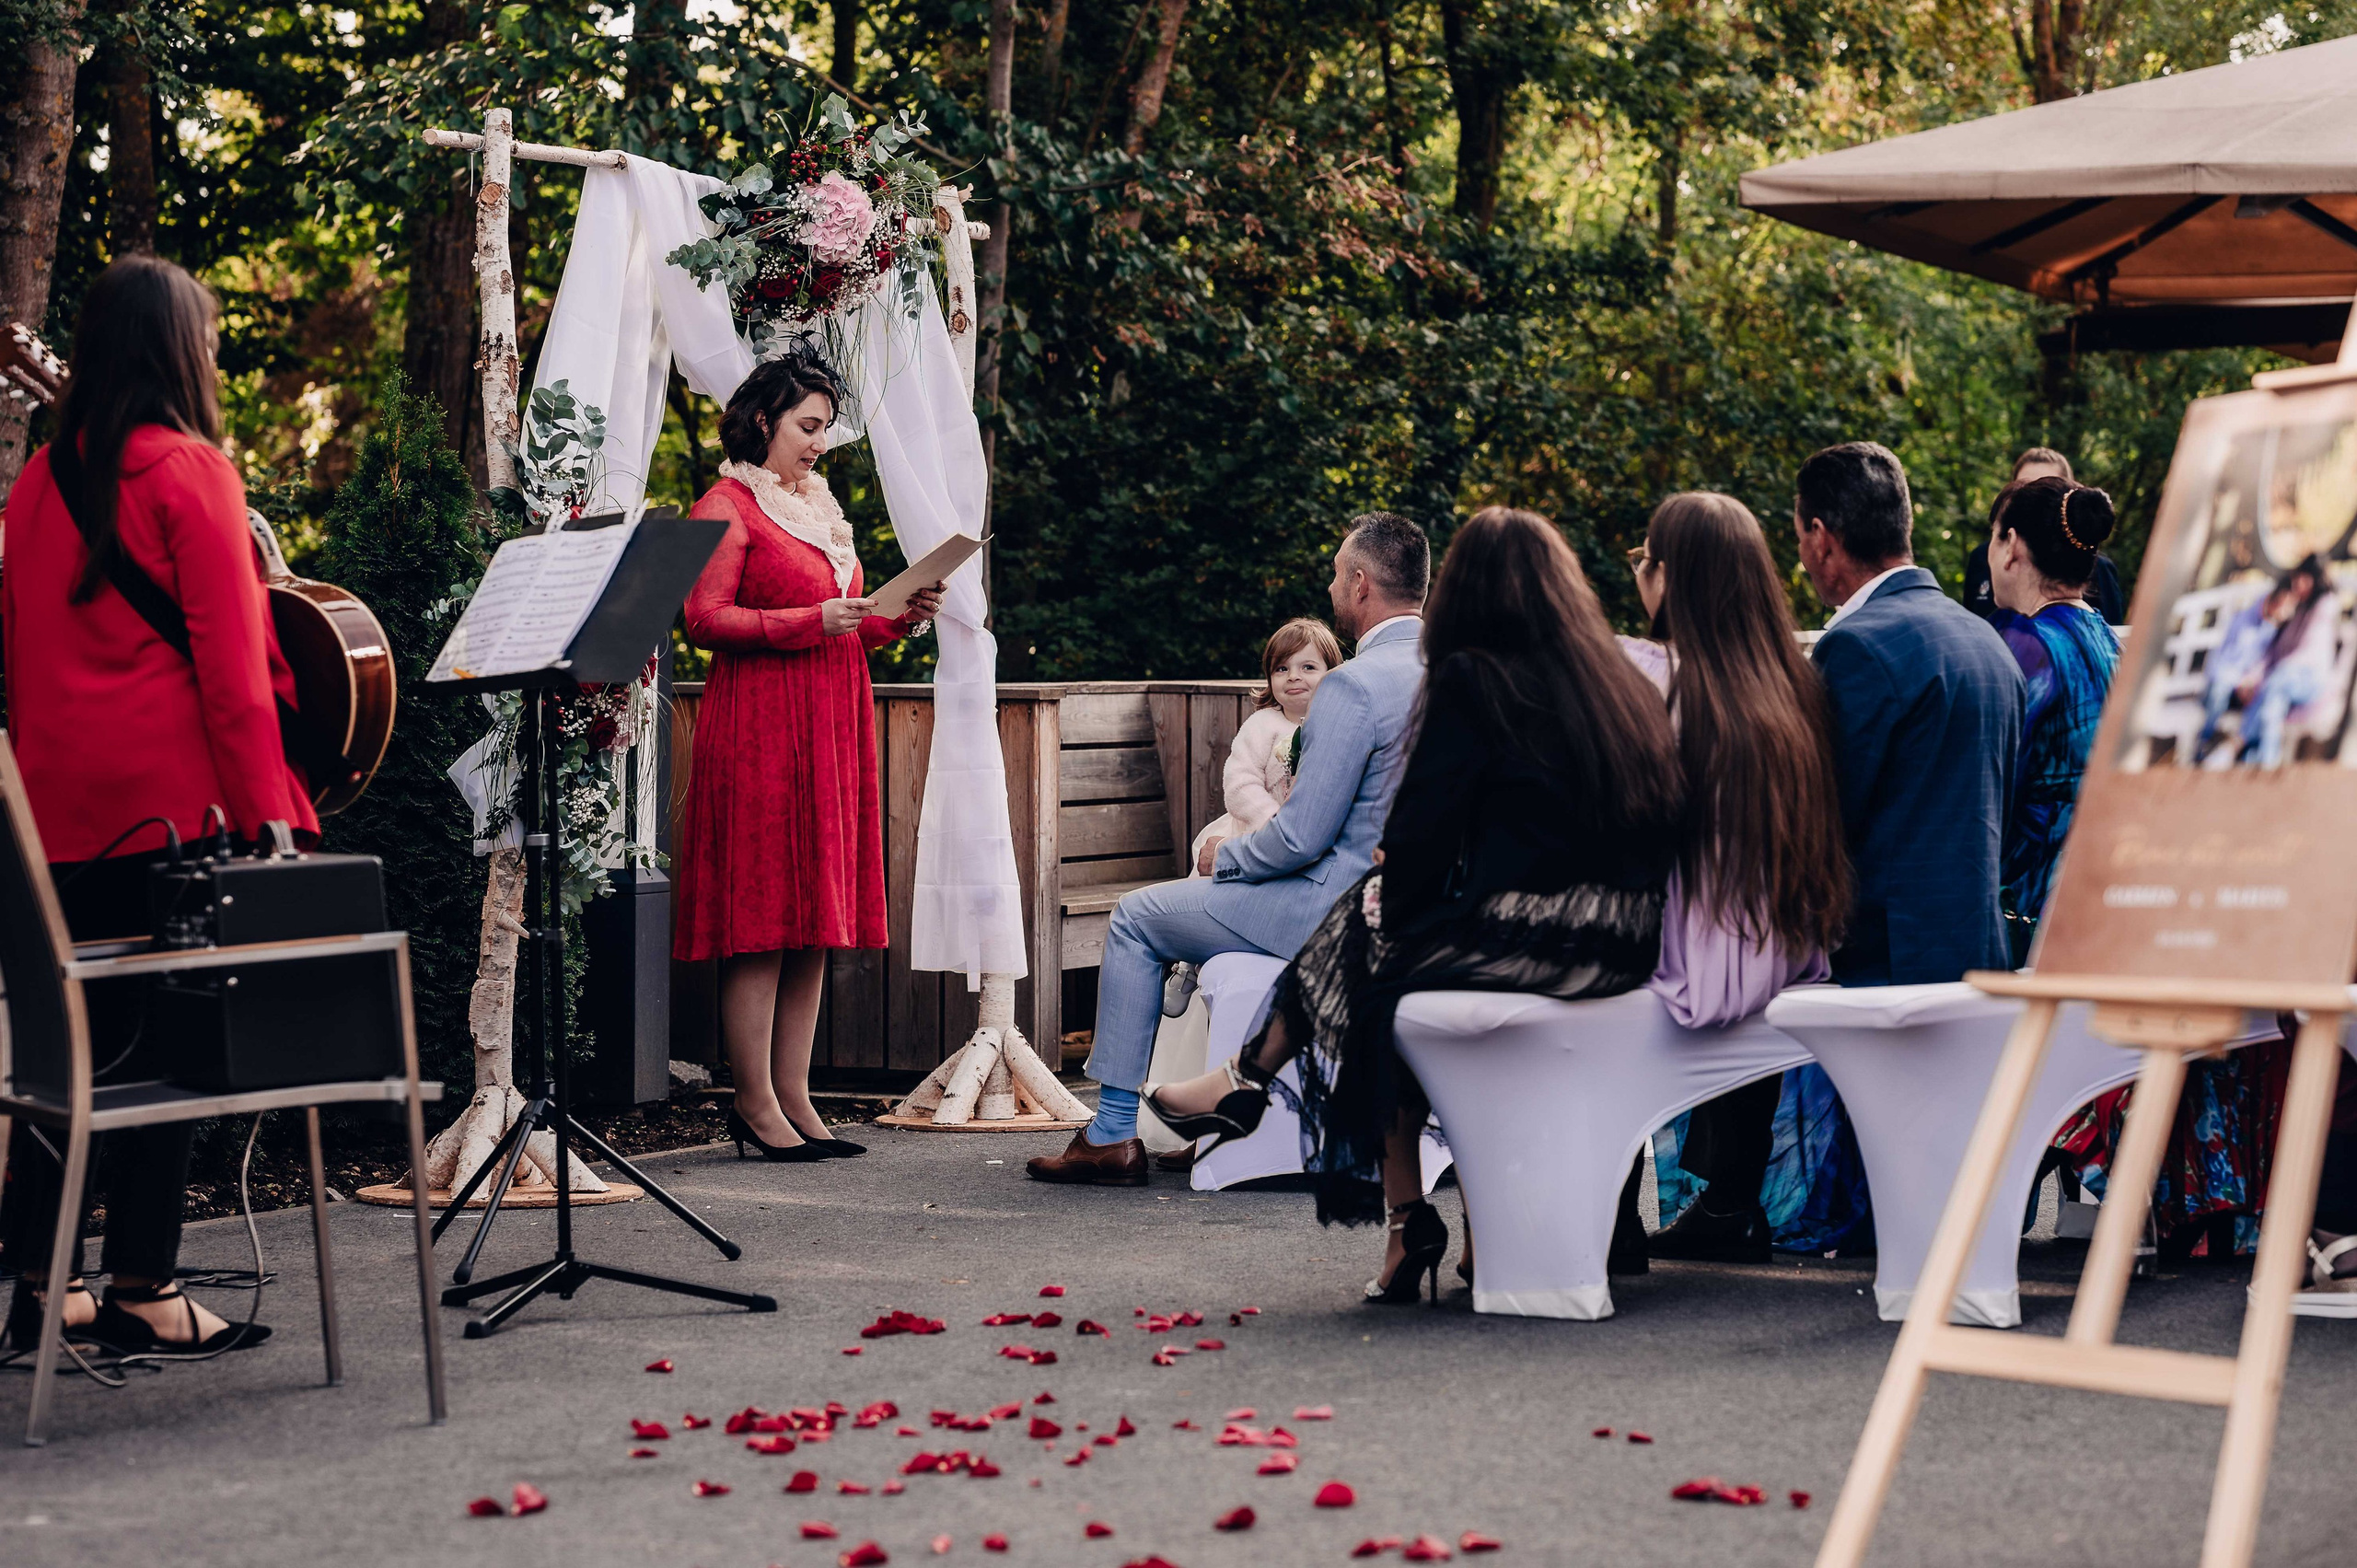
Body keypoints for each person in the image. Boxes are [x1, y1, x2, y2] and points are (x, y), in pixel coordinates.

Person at [1146, 508, 1684, 1303]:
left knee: (1377, 940)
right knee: (1377, 929)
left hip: (1540, 942)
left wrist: (1417, 863)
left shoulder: (1470, 680)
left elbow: (1422, 837)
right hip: (1629, 936)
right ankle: (1278, 1101)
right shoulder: (1620, 679)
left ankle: (1343, 1161)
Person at [0, 255, 314, 1358]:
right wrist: (271, 819)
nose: (216, 353)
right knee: (172, 1054)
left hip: (54, 822)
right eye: (210, 335)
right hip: (174, 818)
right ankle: (143, 1283)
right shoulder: (190, 471)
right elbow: (233, 677)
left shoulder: (37, 484)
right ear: (178, 347)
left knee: (66, 1060)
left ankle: (43, 1288)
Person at [1651, 441, 2025, 1262]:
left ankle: (1724, 1203)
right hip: (1974, 941)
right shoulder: (1985, 641)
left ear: (1820, 537)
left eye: (1799, 538)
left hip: (1881, 948)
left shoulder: (1861, 649)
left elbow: (1824, 813)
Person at [1026, 513, 1429, 1187]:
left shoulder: (1355, 686)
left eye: (1336, 573)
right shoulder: (1455, 671)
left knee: (1135, 916)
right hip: (1423, 908)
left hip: (1336, 908)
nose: (1331, 585)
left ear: (1361, 585)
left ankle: (1112, 1132)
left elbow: (1303, 837)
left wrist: (1226, 859)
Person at [671, 350, 942, 1162]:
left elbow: (846, 614)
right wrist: (807, 621)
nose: (821, 443)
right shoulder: (724, 505)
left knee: (812, 919)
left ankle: (795, 1094)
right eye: (809, 426)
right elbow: (703, 619)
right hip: (759, 724)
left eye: (825, 428)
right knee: (762, 916)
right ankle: (752, 1102)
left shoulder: (816, 502)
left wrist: (900, 612)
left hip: (831, 715)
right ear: (764, 421)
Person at [1621, 494, 1851, 1266]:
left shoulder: (1651, 673)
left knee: (1587, 950)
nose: (1640, 575)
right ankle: (1732, 1199)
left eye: (1646, 559)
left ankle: (1610, 1213)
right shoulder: (1794, 682)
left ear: (1672, 577)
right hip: (1784, 942)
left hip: (1693, 961)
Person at [1984, 477, 2122, 965]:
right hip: (2105, 899)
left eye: (1995, 534)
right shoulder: (2113, 643)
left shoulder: (2026, 647)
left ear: (2012, 546)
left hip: (2033, 914)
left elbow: (1991, 789)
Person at [1187, 618, 1341, 877]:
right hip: (1256, 835)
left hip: (1312, 840)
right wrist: (1273, 823)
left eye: (1308, 667)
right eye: (1281, 669)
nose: (1294, 676)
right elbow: (1239, 784)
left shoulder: (1337, 727)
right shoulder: (1262, 724)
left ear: (1332, 673)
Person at [1963, 448, 2126, 624]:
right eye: (2025, 488)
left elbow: (2113, 633)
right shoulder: (1984, 556)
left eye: (2048, 488)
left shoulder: (2096, 566)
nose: (2035, 497)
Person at [2234, 553, 2339, 769]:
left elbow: (2306, 653)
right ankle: (2260, 762)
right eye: (2296, 579)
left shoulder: (2325, 605)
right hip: (2281, 682)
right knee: (2272, 702)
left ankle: (2239, 743)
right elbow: (2271, 652)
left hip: (2310, 680)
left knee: (2276, 683)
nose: (2299, 584)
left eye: (2305, 579)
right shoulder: (2293, 607)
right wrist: (2253, 677)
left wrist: (2271, 676)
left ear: (2316, 580)